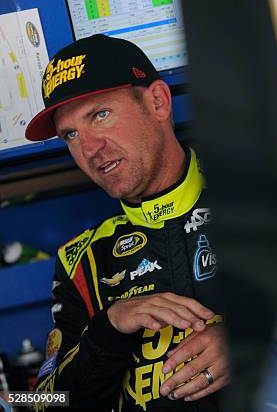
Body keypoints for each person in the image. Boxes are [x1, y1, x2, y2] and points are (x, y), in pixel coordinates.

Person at [24, 34, 230, 411]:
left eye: (100, 115)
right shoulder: (80, 261)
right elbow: (42, 403)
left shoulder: (271, 196)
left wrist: (256, 337)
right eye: (71, 134)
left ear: (158, 102)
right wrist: (108, 329)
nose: (89, 150)